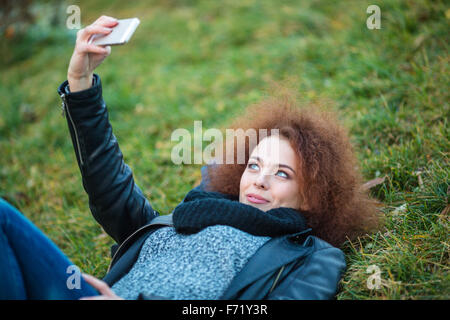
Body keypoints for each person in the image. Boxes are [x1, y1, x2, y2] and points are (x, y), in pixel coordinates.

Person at [0, 15, 381, 300]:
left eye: (282, 173)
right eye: (254, 165)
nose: (260, 180)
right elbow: (108, 186)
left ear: (312, 195)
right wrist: (81, 84)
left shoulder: (312, 256)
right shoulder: (184, 217)